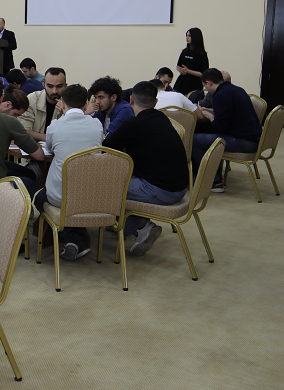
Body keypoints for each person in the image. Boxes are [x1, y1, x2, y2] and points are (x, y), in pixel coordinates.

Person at [103, 81, 190, 255]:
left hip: (161, 190)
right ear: (156, 102)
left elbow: (106, 147)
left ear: (131, 100)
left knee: (104, 188)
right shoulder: (162, 118)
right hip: (181, 187)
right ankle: (130, 224)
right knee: (123, 181)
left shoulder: (133, 124)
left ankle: (142, 227)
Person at [32, 84, 103, 261]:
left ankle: (72, 237)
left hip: (60, 196)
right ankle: (76, 239)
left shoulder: (55, 126)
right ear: (86, 106)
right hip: (93, 195)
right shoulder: (96, 125)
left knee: (40, 198)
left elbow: (50, 149)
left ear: (62, 104)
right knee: (76, 199)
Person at [193, 68, 262, 192]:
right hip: (254, 139)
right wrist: (210, 110)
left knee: (193, 140)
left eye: (205, 86)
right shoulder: (237, 90)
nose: (206, 89)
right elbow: (230, 112)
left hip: (243, 142)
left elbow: (220, 127)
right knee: (207, 135)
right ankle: (215, 177)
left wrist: (209, 116)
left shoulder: (220, 95)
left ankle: (215, 182)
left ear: (209, 83)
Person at [19, 67, 67, 141]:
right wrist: (48, 138)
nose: (54, 91)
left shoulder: (71, 103)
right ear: (43, 85)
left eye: (59, 86)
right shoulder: (31, 100)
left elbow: (75, 133)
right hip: (35, 146)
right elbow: (25, 131)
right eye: (50, 86)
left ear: (65, 86)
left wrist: (66, 114)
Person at [174, 27, 209, 96]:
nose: (187, 38)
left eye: (189, 36)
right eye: (186, 36)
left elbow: (203, 73)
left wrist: (188, 71)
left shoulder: (202, 55)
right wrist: (181, 70)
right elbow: (179, 66)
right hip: (182, 83)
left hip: (194, 84)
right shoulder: (184, 52)